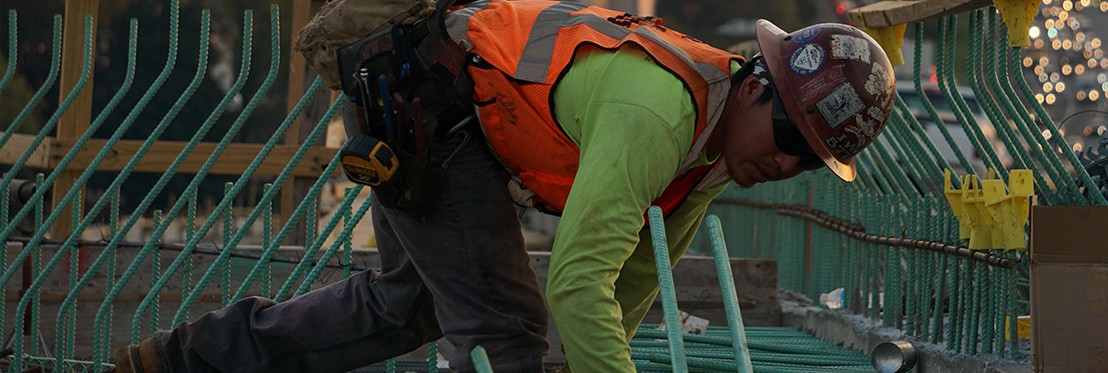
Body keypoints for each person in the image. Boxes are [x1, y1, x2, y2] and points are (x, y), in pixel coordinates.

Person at [109, 0, 895, 372]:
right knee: (507, 332)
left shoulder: (711, 156)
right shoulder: (661, 115)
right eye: (792, 134)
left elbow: (629, 284)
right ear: (757, 82)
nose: (787, 163)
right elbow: (581, 282)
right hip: (425, 106)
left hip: (441, 113)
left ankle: (179, 361)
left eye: (810, 158)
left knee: (405, 305)